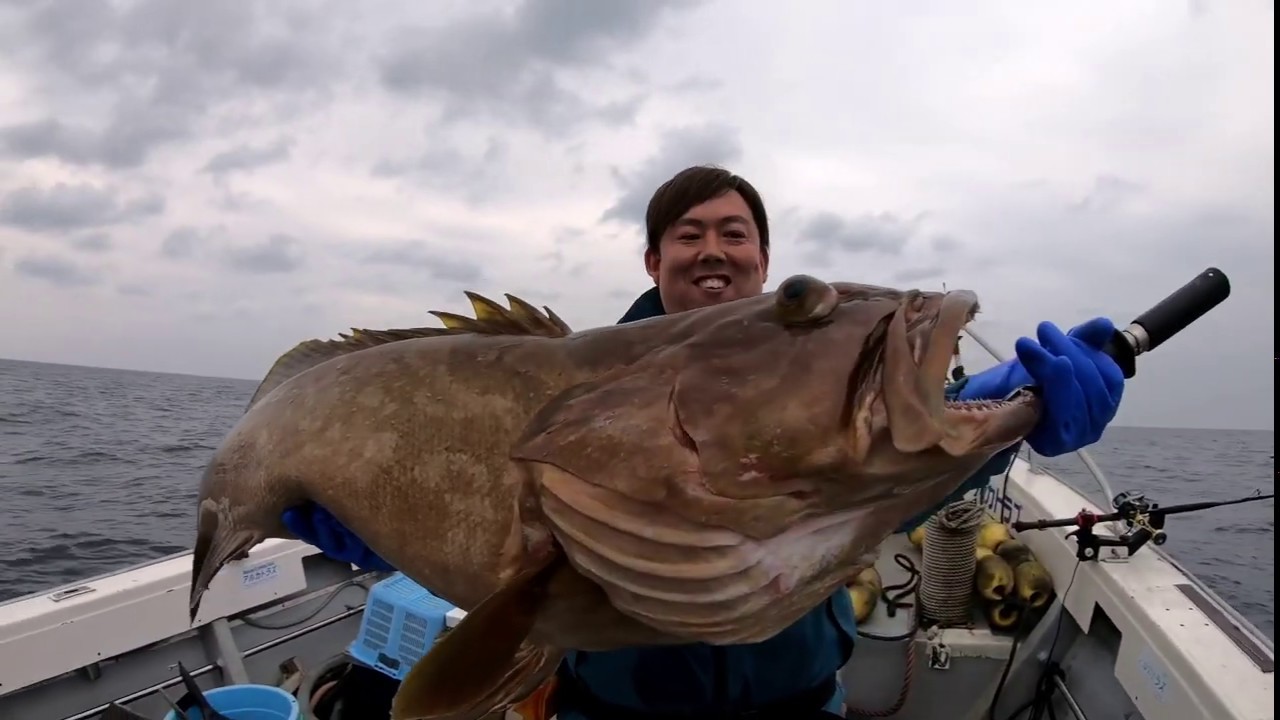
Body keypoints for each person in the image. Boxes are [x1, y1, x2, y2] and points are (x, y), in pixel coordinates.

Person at [282, 165, 1125, 719]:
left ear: (762, 260)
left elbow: (892, 476)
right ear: (653, 260)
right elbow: (470, 513)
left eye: (734, 233)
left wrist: (1013, 414)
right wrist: (384, 521)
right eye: (688, 234)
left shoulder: (826, 383)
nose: (712, 249)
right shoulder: (567, 391)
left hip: (801, 704)